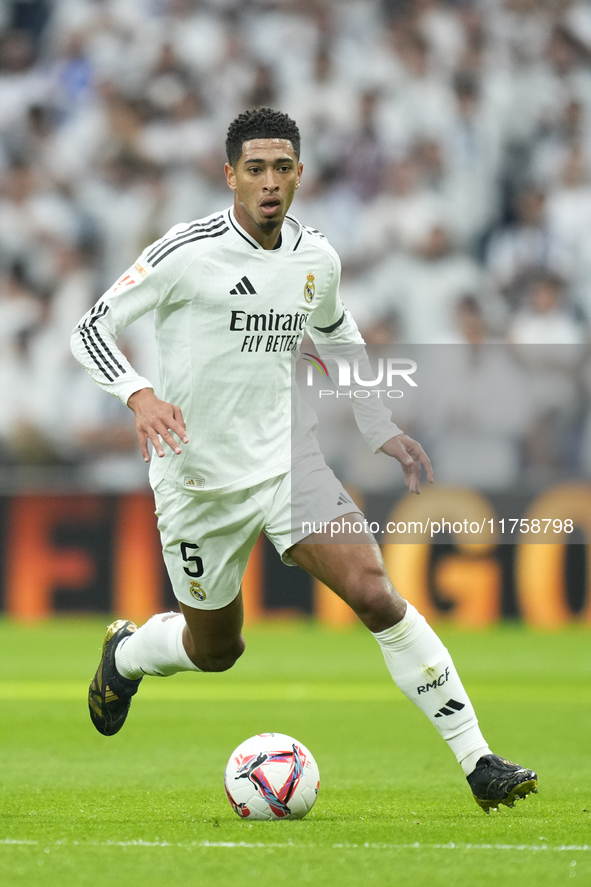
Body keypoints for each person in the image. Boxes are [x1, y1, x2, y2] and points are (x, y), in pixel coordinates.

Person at [71, 107, 537, 814]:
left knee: (375, 592)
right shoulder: (186, 251)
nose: (268, 181)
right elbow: (91, 327)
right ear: (229, 175)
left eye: (281, 167)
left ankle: (477, 759)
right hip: (199, 480)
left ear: (298, 174)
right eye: (253, 168)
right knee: (216, 648)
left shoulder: (315, 256)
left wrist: (376, 421)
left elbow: (336, 329)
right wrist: (139, 395)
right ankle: (129, 655)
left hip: (290, 461)